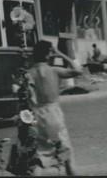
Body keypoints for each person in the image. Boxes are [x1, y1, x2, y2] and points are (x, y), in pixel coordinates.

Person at [27, 40, 82, 176]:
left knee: (38, 157)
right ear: (47, 55)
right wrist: (60, 54)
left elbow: (28, 98)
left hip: (37, 115)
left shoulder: (29, 73)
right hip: (54, 114)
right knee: (67, 154)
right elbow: (77, 70)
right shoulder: (54, 71)